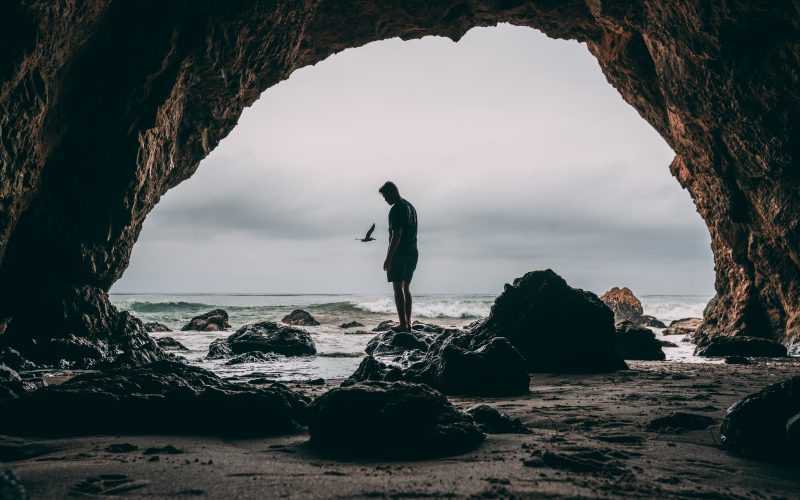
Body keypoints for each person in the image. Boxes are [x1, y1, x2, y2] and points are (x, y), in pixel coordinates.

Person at [379, 181, 418, 331]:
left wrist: (388, 258)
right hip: (413, 252)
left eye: (385, 196)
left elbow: (397, 235)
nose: (385, 200)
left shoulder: (396, 209)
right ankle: (408, 322)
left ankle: (403, 324)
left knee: (397, 288)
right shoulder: (411, 207)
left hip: (399, 253)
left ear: (392, 192)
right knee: (406, 288)